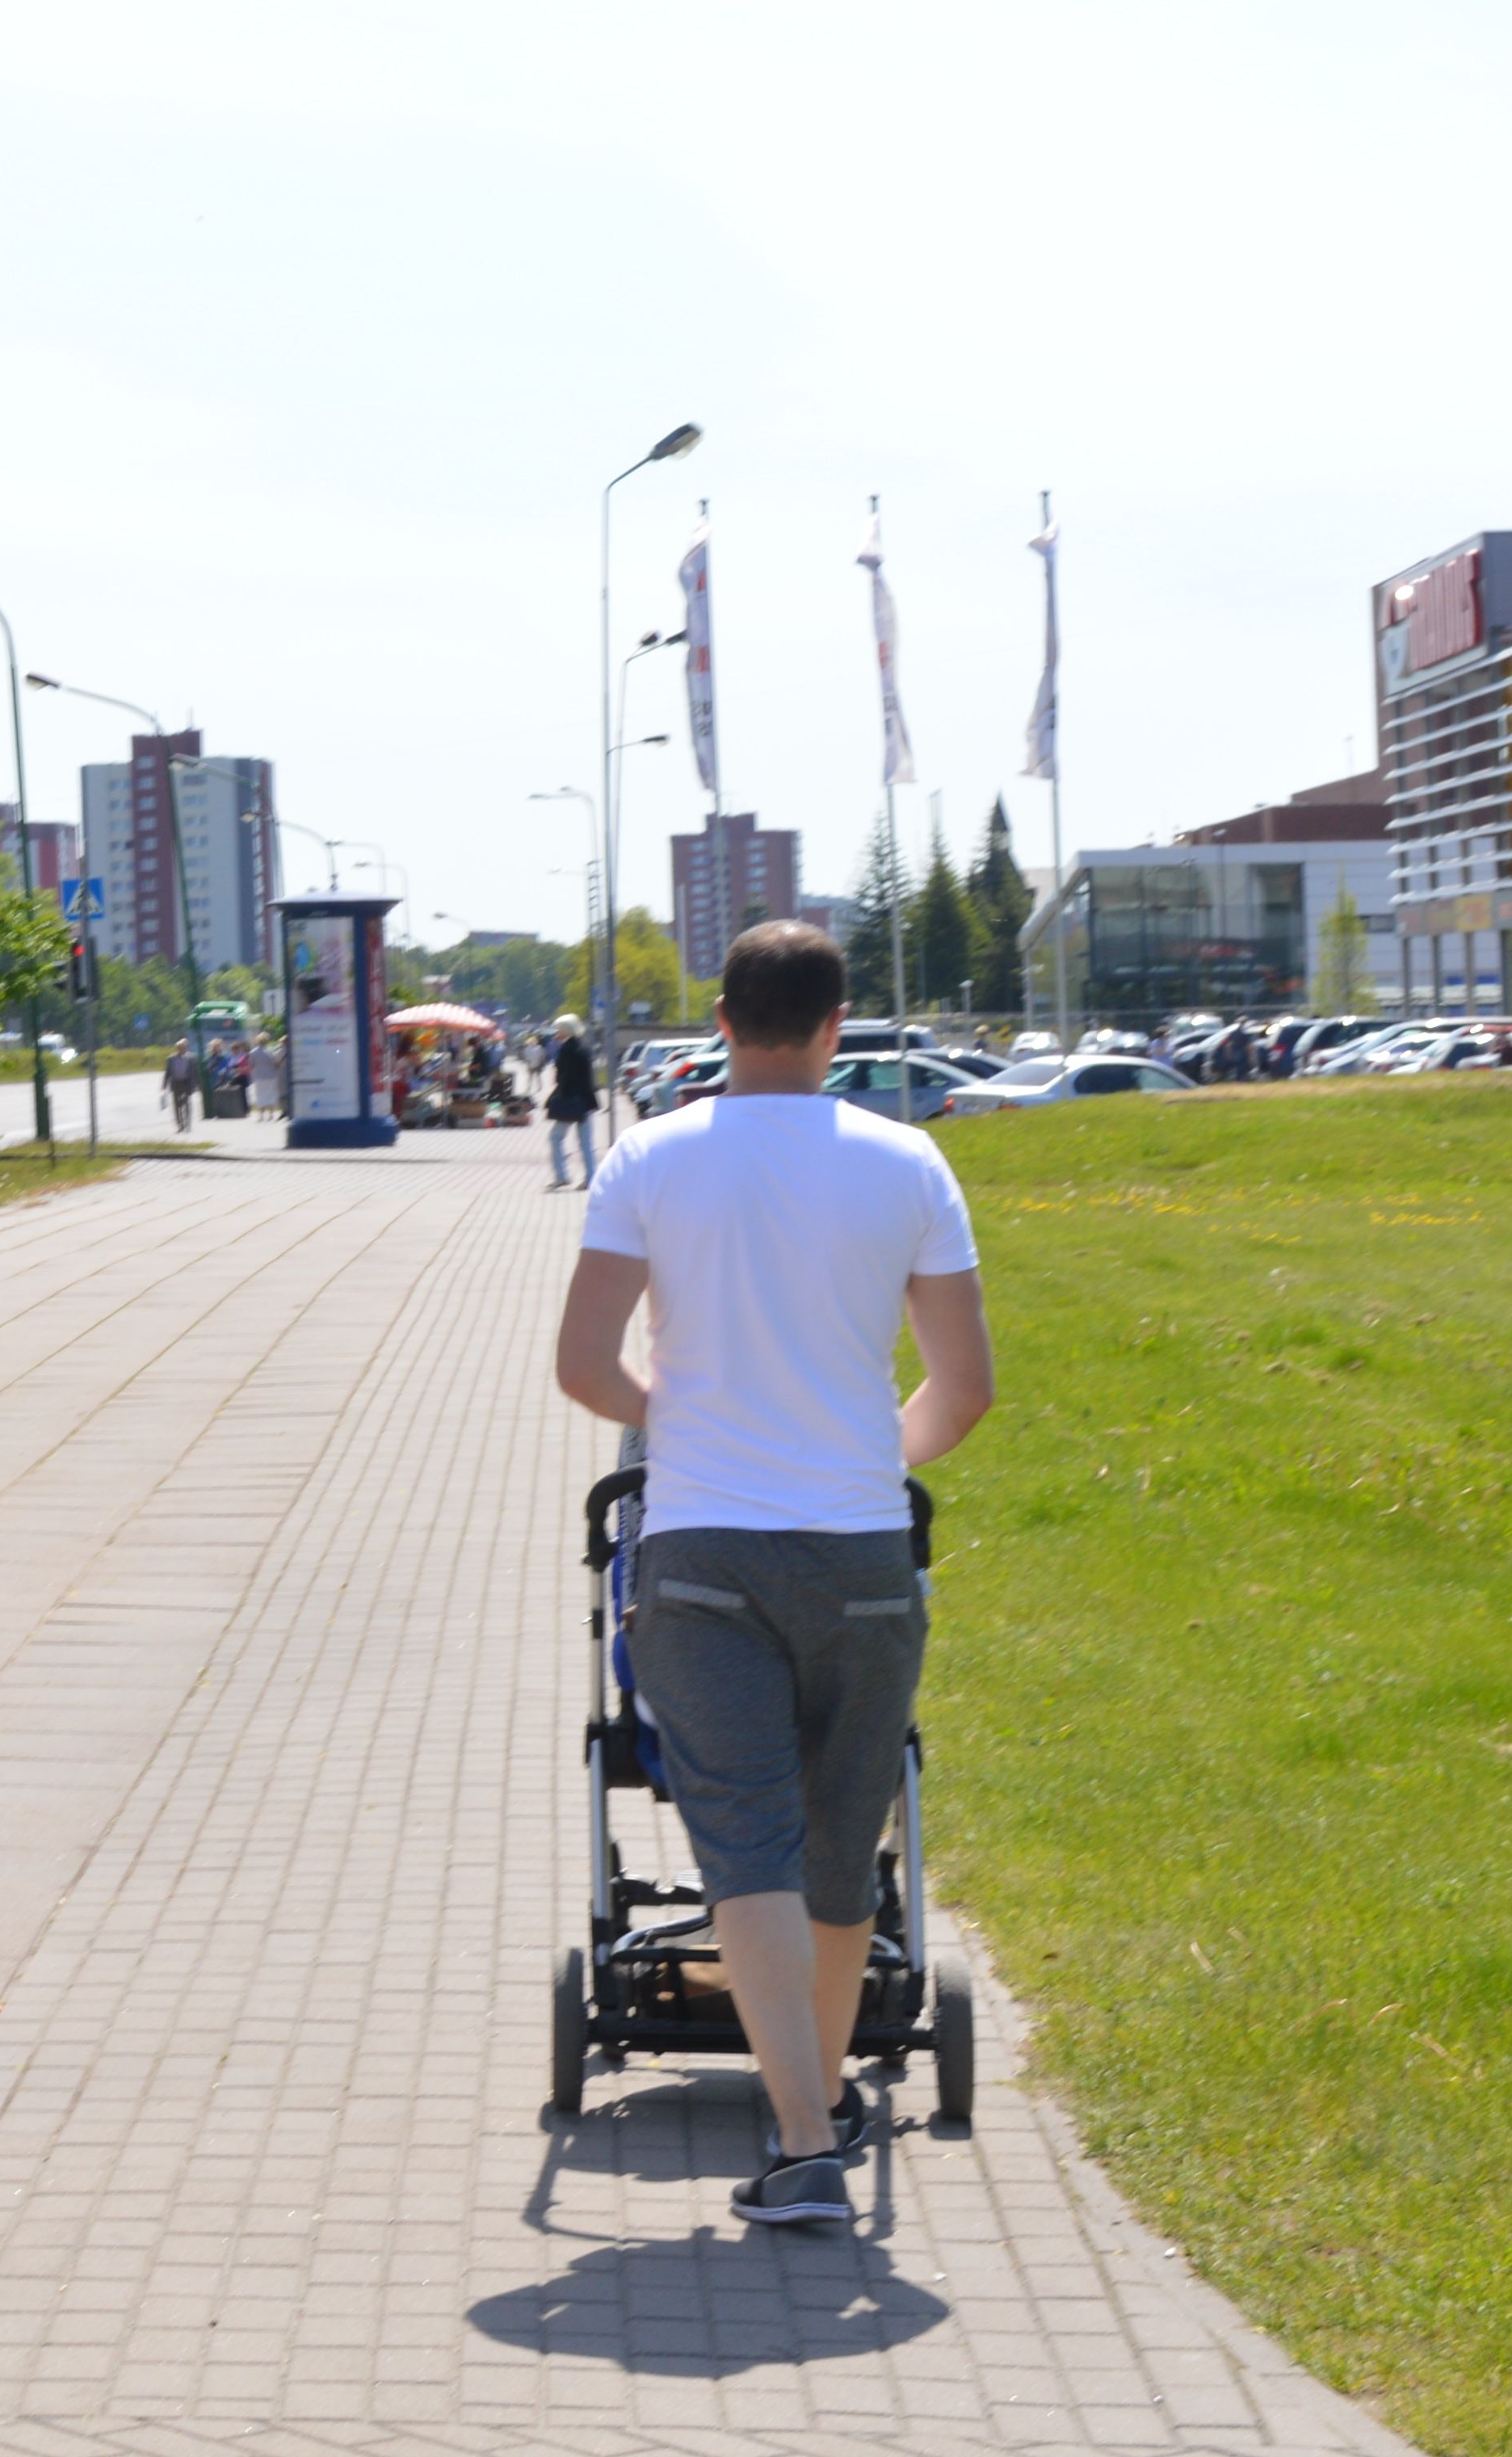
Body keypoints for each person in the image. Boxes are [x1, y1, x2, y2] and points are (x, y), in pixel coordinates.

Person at [551, 918, 997, 2234]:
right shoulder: (908, 1162)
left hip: (699, 1558)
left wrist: (682, 1429)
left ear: (723, 1018)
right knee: (842, 1844)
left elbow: (583, 1367)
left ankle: (802, 2138)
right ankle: (828, 2107)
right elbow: (964, 1391)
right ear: (835, 1024)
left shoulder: (649, 1156)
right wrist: (864, 1456)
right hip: (860, 1553)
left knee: (740, 1839)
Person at [544, 1013, 600, 1189]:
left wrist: (557, 1097)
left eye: (559, 1030)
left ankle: (562, 1175)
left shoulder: (566, 1051)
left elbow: (565, 1078)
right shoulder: (583, 1049)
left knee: (555, 1138)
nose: (556, 1033)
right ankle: (591, 1177)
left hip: (569, 1102)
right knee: (586, 1143)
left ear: (565, 1031)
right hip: (586, 1102)